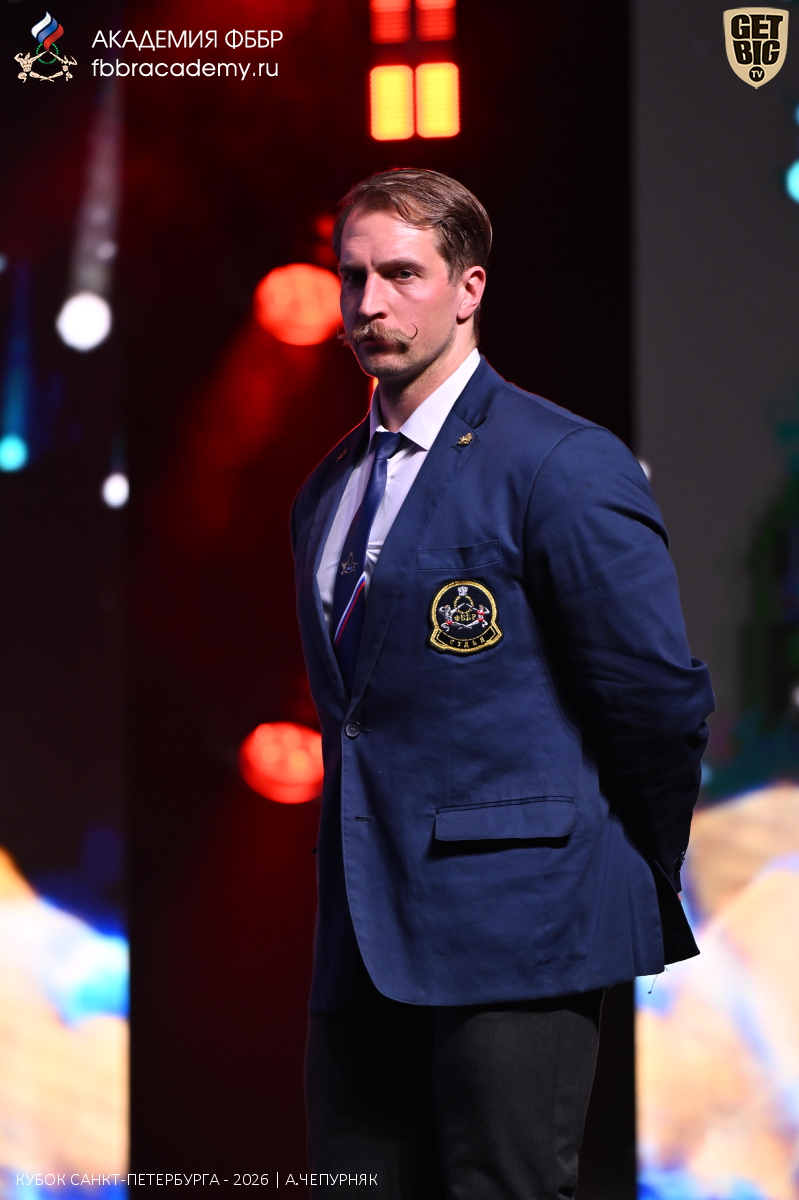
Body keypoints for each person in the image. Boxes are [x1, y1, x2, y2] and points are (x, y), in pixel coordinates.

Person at [290, 168, 714, 1200]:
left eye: (402, 274)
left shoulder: (559, 461)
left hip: (523, 916)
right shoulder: (328, 487)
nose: (369, 303)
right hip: (364, 924)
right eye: (352, 276)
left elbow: (655, 699)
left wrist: (615, 863)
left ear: (468, 288)